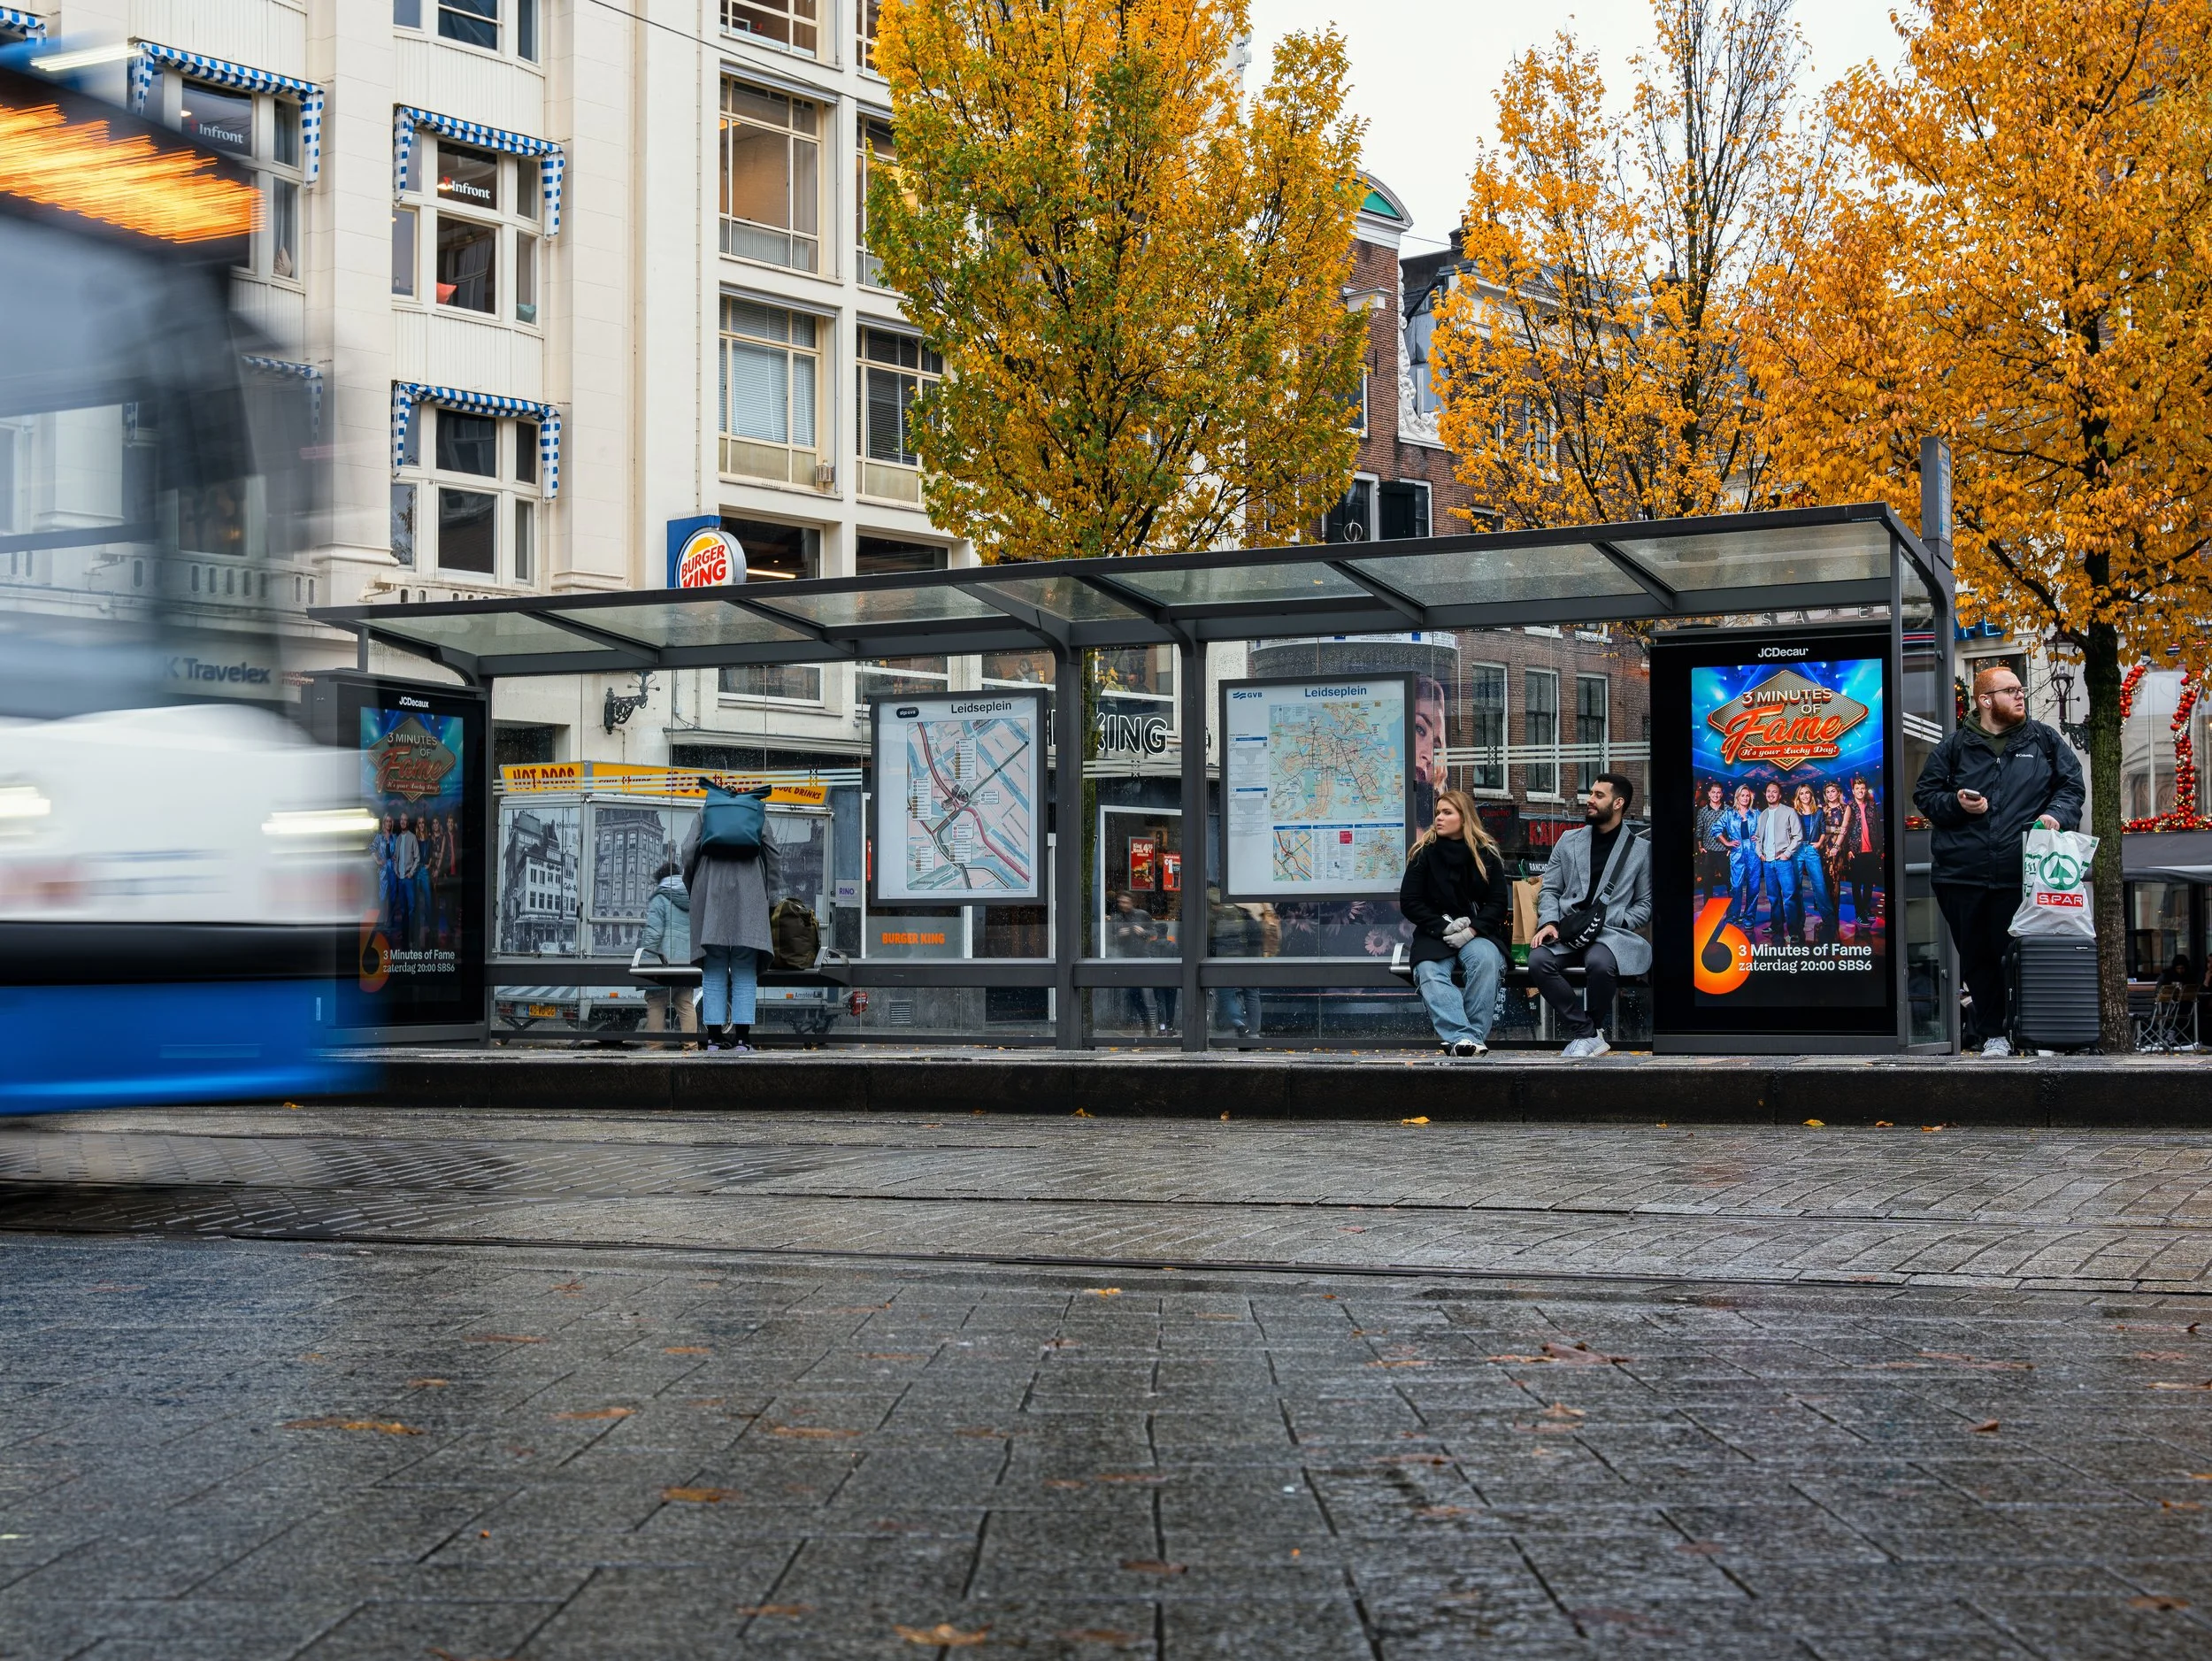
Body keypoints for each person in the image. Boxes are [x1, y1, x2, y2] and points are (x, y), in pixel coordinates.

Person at [1912, 662, 2085, 1057]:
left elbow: (2072, 786)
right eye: (2010, 690)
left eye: (2020, 688)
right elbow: (1926, 796)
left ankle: (2034, 1033)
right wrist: (1956, 803)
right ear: (1986, 700)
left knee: (2025, 956)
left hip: (2022, 873)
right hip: (1962, 874)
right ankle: (1994, 1035)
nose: (2020, 694)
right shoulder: (1954, 747)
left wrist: (2056, 814)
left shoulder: (2044, 741)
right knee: (1979, 958)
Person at [1529, 773, 1651, 1058]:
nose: (1589, 800)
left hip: (1609, 934)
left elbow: (1645, 903)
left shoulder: (1640, 850)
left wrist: (1621, 920)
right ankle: (1587, 1032)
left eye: (1598, 795)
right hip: (1568, 930)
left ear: (1618, 803)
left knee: (1600, 964)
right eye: (1591, 793)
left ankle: (1590, 1033)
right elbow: (1549, 889)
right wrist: (1549, 923)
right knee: (1538, 960)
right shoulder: (1568, 840)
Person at [1399, 788, 1511, 1057]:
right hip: (1435, 932)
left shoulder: (1487, 854)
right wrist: (1443, 926)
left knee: (1486, 960)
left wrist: (1472, 930)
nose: (1439, 818)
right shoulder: (1423, 853)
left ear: (1464, 818)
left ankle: (1468, 1039)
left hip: (1478, 932)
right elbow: (1410, 901)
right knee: (1428, 970)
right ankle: (1464, 1037)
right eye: (1438, 812)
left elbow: (1497, 905)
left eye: (1447, 813)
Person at [680, 806, 784, 1053]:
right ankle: (742, 1040)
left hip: (711, 887)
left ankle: (714, 1039)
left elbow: (687, 851)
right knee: (745, 966)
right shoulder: (756, 811)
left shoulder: (706, 811)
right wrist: (769, 894)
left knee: (714, 964)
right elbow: (773, 855)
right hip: (749, 890)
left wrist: (694, 883)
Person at [637, 858, 695, 1042]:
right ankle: (691, 1048)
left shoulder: (660, 898)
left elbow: (653, 935)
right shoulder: (691, 897)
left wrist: (645, 963)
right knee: (686, 1004)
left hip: (665, 965)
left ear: (660, 879)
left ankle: (655, 1051)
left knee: (655, 1002)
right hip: (686, 964)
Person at [1207, 885, 1261, 1040]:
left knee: (1226, 993)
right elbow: (1256, 935)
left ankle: (1239, 1024)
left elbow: (1211, 940)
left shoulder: (1218, 916)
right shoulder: (1244, 912)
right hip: (1248, 959)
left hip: (1226, 960)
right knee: (1251, 993)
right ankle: (1254, 1030)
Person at [1754, 781, 1801, 945]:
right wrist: (1759, 853)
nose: (1771, 794)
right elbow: (1758, 838)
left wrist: (1787, 854)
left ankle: (1794, 931)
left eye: (1774, 792)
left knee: (1789, 897)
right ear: (1765, 793)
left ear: (1779, 795)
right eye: (1768, 791)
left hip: (1783, 861)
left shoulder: (1789, 812)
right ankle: (1776, 926)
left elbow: (1798, 836)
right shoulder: (1763, 814)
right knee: (1773, 898)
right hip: (1767, 863)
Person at [1107, 890, 1160, 1034]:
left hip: (1142, 958)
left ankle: (1150, 1023)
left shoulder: (1142, 915)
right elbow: (1110, 939)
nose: (1123, 905)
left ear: (1131, 902)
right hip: (1125, 959)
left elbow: (1155, 933)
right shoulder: (1117, 918)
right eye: (1120, 902)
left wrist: (1143, 932)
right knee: (1133, 993)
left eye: (1125, 902)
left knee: (1137, 992)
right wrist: (1119, 935)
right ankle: (1147, 1023)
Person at [1841, 775, 1884, 941]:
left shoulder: (1872, 806)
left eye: (1862, 788)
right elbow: (1845, 830)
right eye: (1857, 788)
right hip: (1856, 851)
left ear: (1865, 790)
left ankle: (1866, 909)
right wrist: (1847, 850)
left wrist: (1879, 848)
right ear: (1853, 791)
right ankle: (1859, 912)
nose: (1860, 791)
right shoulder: (1849, 807)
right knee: (1857, 884)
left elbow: (1878, 828)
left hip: (1872, 850)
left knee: (1869, 883)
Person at [1790, 782, 1829, 944]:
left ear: (1811, 795)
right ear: (1798, 797)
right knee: (1796, 887)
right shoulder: (1793, 813)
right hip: (1797, 850)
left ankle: (1829, 921)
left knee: (1819, 885)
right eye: (1802, 793)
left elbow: (1823, 830)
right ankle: (1799, 923)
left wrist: (1819, 844)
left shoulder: (1818, 812)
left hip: (1812, 849)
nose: (1805, 796)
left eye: (1807, 793)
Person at [1722, 782, 1760, 928]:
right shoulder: (1730, 814)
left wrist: (1759, 837)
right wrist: (1728, 843)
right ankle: (1734, 916)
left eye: (1747, 795)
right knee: (1736, 886)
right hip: (1737, 854)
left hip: (1753, 853)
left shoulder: (1756, 814)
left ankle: (1749, 918)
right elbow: (1716, 828)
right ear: (1737, 797)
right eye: (1742, 795)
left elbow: (1767, 830)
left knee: (1754, 887)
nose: (1745, 798)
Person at [1694, 781, 1732, 906]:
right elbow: (1699, 830)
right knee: (1707, 884)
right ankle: (1707, 911)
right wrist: (1700, 847)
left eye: (1718, 792)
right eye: (1713, 792)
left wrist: (1730, 847)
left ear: (1722, 794)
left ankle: (1733, 912)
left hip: (1724, 851)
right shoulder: (1703, 811)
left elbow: (1732, 830)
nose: (1716, 795)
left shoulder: (1728, 810)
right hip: (1708, 852)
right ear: (1709, 794)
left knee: (1729, 882)